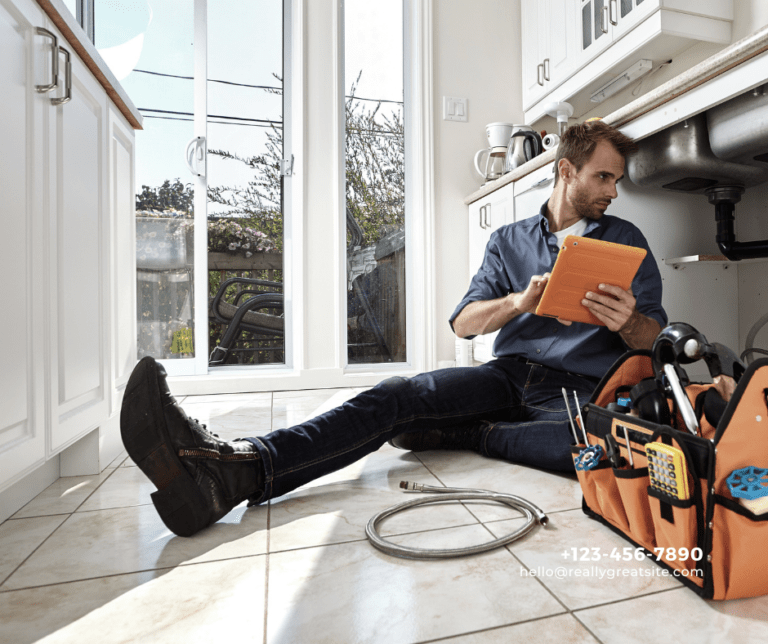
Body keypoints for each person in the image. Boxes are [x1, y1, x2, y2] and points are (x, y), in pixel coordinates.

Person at [120, 120, 668, 537]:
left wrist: (630, 322)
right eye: (603, 177)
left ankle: (466, 433)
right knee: (395, 395)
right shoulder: (507, 240)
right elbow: (463, 324)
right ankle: (235, 471)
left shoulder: (626, 240)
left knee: (605, 440)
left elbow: (654, 340)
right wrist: (517, 302)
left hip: (579, 388)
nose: (613, 191)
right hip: (507, 375)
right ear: (566, 171)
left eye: (616, 180)